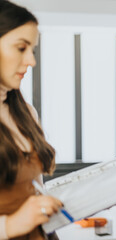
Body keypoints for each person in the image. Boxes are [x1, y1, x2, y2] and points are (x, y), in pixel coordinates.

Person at [0, 1, 63, 239]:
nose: (31, 61)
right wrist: (10, 225)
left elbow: (35, 190)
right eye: (20, 48)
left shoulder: (26, 112)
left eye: (32, 50)